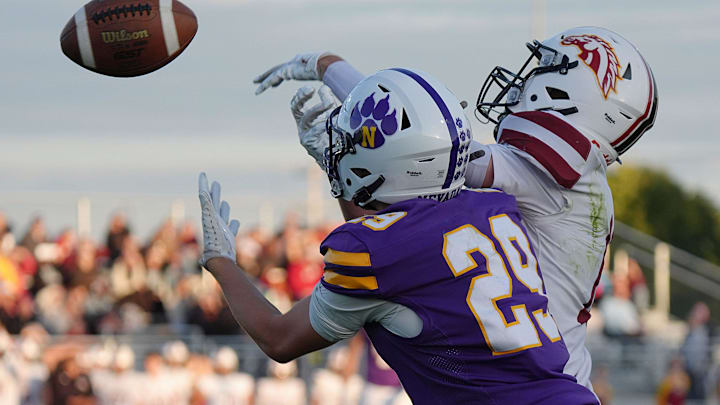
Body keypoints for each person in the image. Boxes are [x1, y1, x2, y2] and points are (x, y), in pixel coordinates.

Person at [253, 26, 658, 392]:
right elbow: (389, 219)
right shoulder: (579, 184)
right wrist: (340, 166)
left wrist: (329, 68)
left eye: (543, 70)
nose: (524, 79)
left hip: (523, 383)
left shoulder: (554, 178)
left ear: (572, 93)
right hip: (550, 382)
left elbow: (415, 138)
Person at [198, 69, 597, 404]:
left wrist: (221, 263)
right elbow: (397, 245)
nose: (340, 150)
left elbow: (279, 339)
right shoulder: (493, 208)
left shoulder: (375, 253)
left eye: (354, 143)